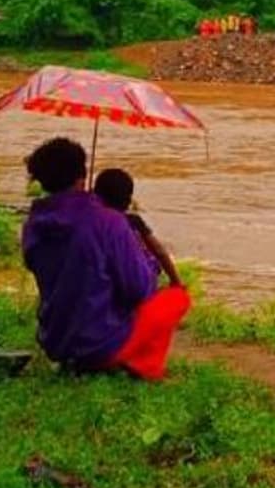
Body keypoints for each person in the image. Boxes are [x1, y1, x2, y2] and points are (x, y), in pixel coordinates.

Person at [23, 138, 191, 381]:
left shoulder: (34, 223)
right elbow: (139, 289)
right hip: (101, 344)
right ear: (82, 176)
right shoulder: (109, 221)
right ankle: (142, 365)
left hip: (55, 342)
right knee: (177, 299)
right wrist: (151, 264)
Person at [93, 168, 183, 287]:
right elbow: (159, 251)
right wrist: (176, 282)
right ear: (128, 199)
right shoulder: (132, 221)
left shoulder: (89, 222)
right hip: (138, 281)